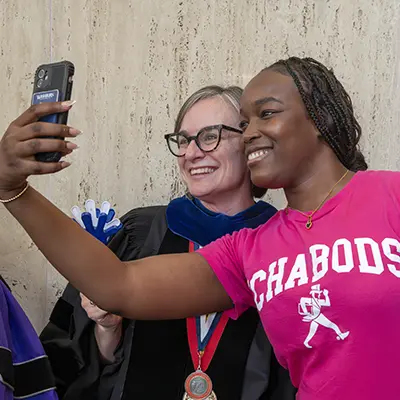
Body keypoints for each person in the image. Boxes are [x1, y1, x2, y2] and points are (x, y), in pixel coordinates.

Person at [0, 55, 398, 399]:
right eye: (244, 122)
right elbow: (118, 285)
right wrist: (12, 189)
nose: (251, 133)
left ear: (320, 117)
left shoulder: (390, 196)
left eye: (267, 113)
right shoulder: (253, 249)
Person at [37, 86, 294, 399]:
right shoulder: (140, 234)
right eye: (184, 140)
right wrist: (108, 329)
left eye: (210, 135)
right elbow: (77, 366)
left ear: (248, 141)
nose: (191, 152)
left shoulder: (286, 250)